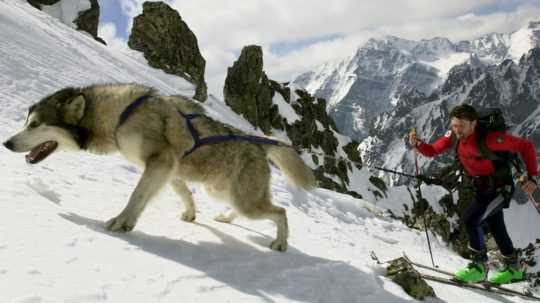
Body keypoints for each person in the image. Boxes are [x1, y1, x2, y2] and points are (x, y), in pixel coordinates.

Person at [409, 104, 538, 284]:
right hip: (482, 188)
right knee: (496, 226)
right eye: (454, 125)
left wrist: (532, 176)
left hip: (499, 189)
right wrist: (419, 144)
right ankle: (514, 269)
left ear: (474, 123)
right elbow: (432, 151)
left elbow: (526, 146)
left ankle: (479, 267)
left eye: (461, 126)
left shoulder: (490, 139)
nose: (457, 130)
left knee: (471, 219)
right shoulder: (454, 137)